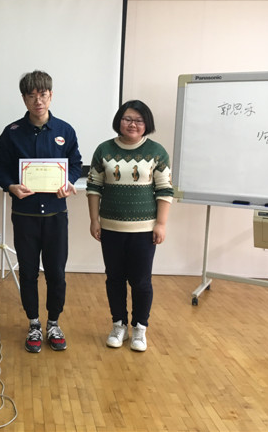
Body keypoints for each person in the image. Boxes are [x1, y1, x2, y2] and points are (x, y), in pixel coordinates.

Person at [0, 71, 82, 353]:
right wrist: (10, 186)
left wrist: (69, 182)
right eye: (31, 96)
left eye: (42, 95)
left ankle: (53, 323)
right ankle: (33, 323)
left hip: (56, 215)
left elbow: (76, 164)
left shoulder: (65, 130)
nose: (38, 101)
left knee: (56, 273)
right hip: (25, 216)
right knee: (28, 273)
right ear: (24, 99)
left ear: (50, 95)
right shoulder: (11, 132)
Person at [86, 99, 173, 352]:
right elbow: (93, 187)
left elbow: (165, 190)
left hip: (144, 231)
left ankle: (140, 329)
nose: (132, 124)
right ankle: (119, 325)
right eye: (127, 119)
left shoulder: (156, 151)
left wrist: (161, 224)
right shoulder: (104, 149)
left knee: (141, 281)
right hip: (111, 228)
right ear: (119, 121)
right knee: (114, 279)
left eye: (138, 120)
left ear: (147, 124)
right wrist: (94, 220)